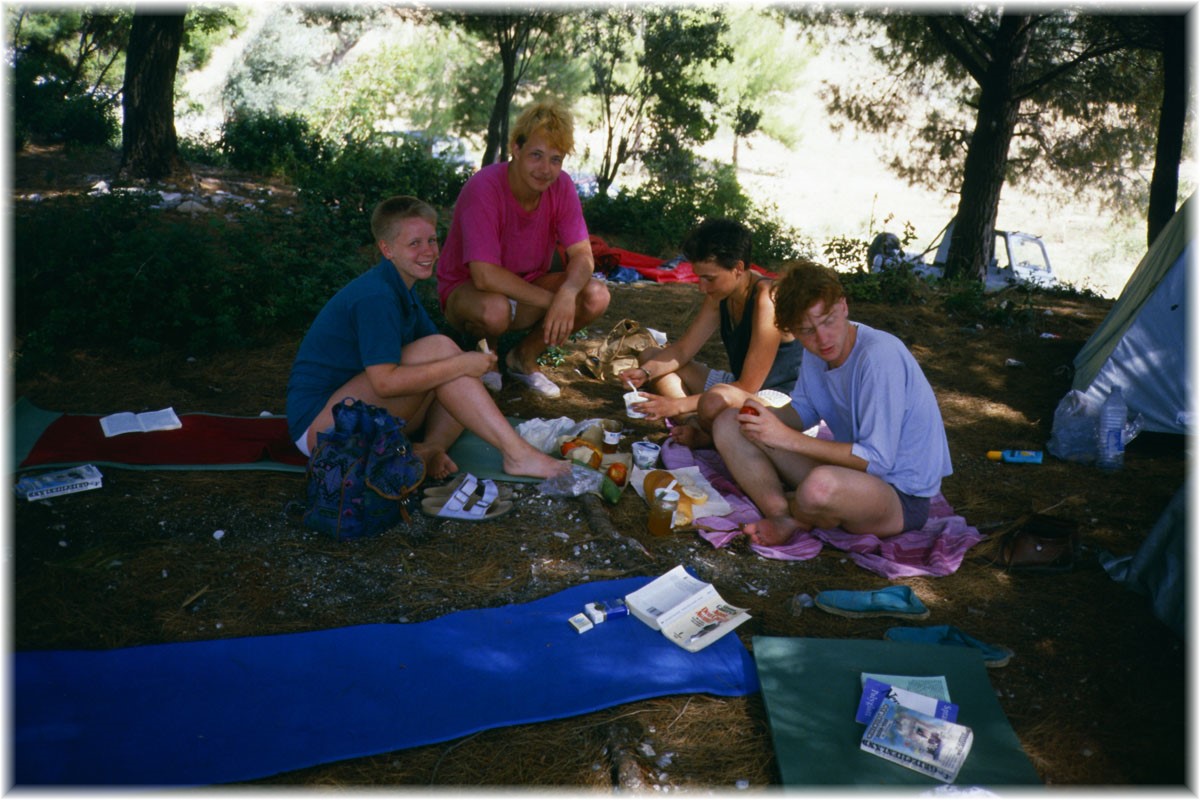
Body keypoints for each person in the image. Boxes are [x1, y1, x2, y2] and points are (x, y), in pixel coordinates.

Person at [286, 195, 569, 482]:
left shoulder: (400, 288)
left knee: (448, 363)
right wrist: (462, 365)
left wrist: (464, 364)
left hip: (357, 410)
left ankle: (432, 447)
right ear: (386, 249)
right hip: (321, 430)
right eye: (414, 243)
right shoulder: (376, 296)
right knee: (446, 355)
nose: (428, 251)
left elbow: (444, 367)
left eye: (432, 240)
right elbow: (384, 382)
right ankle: (517, 454)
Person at [711, 260, 951, 546]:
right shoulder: (817, 351)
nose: (822, 338)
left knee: (818, 488)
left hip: (900, 497)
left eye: (827, 320)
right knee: (731, 421)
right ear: (794, 331)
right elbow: (805, 410)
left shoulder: (878, 357)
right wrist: (763, 416)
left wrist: (784, 437)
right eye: (807, 331)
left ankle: (797, 513)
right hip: (850, 476)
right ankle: (781, 515)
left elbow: (877, 459)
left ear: (843, 306)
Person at [436, 99, 611, 399]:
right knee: (495, 309)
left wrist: (567, 295)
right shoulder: (484, 188)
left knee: (596, 295)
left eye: (555, 160)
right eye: (536, 156)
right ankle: (487, 354)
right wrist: (551, 301)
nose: (545, 170)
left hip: (528, 285)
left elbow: (582, 254)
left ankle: (522, 357)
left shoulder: (562, 187)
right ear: (515, 149)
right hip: (468, 292)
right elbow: (484, 276)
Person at [618, 218, 802, 447]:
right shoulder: (720, 294)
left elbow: (748, 387)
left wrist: (674, 405)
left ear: (738, 268)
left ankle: (700, 429)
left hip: (776, 398)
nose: (702, 287)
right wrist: (645, 373)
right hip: (736, 386)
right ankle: (695, 425)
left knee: (712, 404)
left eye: (709, 278)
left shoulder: (767, 298)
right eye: (699, 277)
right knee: (650, 357)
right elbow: (684, 350)